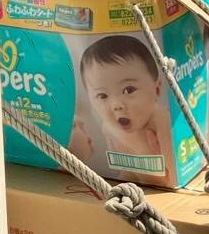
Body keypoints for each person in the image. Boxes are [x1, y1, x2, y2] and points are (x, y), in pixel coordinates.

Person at [72, 35, 170, 164]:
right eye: (102, 96)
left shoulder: (161, 121)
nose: (117, 105)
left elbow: (173, 169)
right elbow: (122, 169)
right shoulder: (108, 128)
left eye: (128, 90)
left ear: (156, 89)